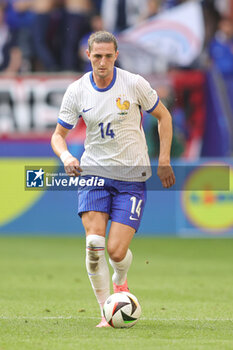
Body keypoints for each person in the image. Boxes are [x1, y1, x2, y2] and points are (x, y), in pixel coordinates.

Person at [51, 31, 175, 328]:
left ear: (116, 56)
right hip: (94, 173)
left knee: (116, 252)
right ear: (88, 56)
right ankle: (105, 313)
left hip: (132, 176)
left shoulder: (134, 84)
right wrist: (67, 156)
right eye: (97, 56)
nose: (103, 62)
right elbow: (58, 136)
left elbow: (164, 117)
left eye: (108, 56)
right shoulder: (77, 90)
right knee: (94, 244)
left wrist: (164, 159)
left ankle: (121, 279)